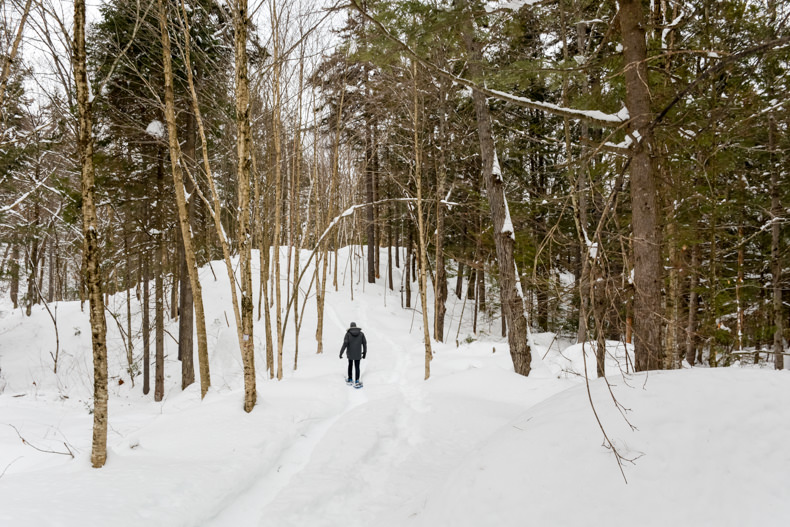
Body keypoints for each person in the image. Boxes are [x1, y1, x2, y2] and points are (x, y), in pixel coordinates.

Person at [339, 322, 367, 388]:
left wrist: (341, 353)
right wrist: (364, 353)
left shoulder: (348, 334)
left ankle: (350, 379)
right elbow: (364, 344)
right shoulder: (361, 334)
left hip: (350, 354)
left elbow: (345, 344)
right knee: (357, 367)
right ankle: (357, 380)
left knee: (350, 365)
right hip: (358, 354)